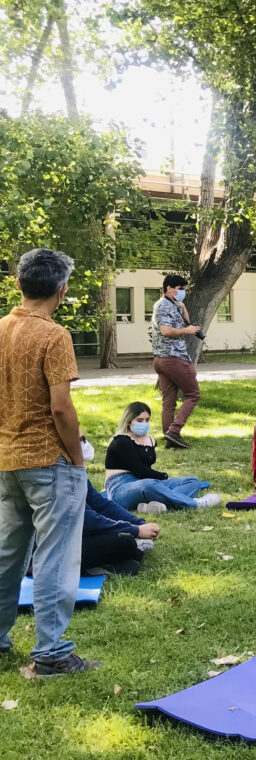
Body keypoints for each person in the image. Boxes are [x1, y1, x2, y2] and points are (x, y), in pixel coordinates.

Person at [0, 248, 97, 676]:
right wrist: (76, 458)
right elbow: (61, 408)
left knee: (7, 555)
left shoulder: (1, 328)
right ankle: (51, 653)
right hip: (48, 460)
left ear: (18, 283)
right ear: (62, 290)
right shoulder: (54, 335)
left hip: (7, 461)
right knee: (56, 557)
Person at [105, 402, 221, 510]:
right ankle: (195, 503)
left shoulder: (149, 440)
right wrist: (164, 476)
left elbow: (147, 470)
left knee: (193, 481)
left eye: (147, 420)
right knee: (149, 485)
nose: (144, 424)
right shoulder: (121, 441)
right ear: (129, 421)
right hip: (120, 487)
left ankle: (151, 507)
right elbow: (140, 471)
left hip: (145, 483)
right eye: (139, 420)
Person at [151, 273, 202, 449]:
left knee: (169, 401)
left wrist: (183, 307)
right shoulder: (164, 306)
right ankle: (174, 430)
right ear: (169, 289)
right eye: (180, 289)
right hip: (174, 357)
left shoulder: (173, 305)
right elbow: (165, 330)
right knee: (193, 394)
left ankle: (170, 438)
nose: (183, 292)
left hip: (162, 359)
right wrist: (186, 331)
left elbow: (185, 322)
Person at [82, 481, 159, 576]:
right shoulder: (61, 477)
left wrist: (139, 523)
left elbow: (101, 504)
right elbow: (89, 520)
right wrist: (136, 530)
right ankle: (92, 567)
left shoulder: (77, 471)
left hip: (80, 535)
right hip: (66, 548)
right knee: (126, 542)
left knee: (124, 540)